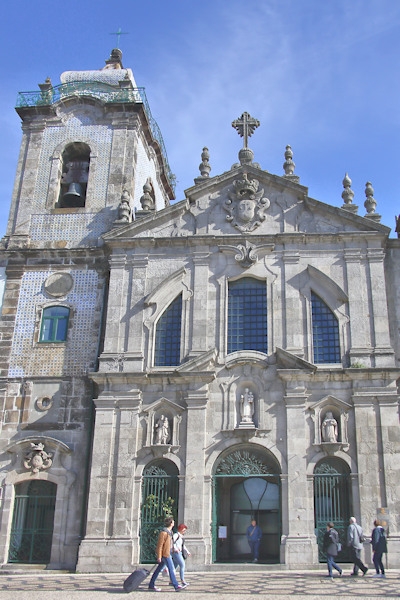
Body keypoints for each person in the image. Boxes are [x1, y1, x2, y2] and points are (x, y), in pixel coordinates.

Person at [148, 517, 187, 591]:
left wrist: (174, 549)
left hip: (168, 553)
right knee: (171, 569)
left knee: (158, 570)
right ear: (171, 523)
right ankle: (176, 585)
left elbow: (170, 544)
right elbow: (160, 545)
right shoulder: (164, 533)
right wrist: (159, 556)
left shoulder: (170, 532)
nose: (174, 523)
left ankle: (151, 584)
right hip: (165, 554)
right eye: (173, 521)